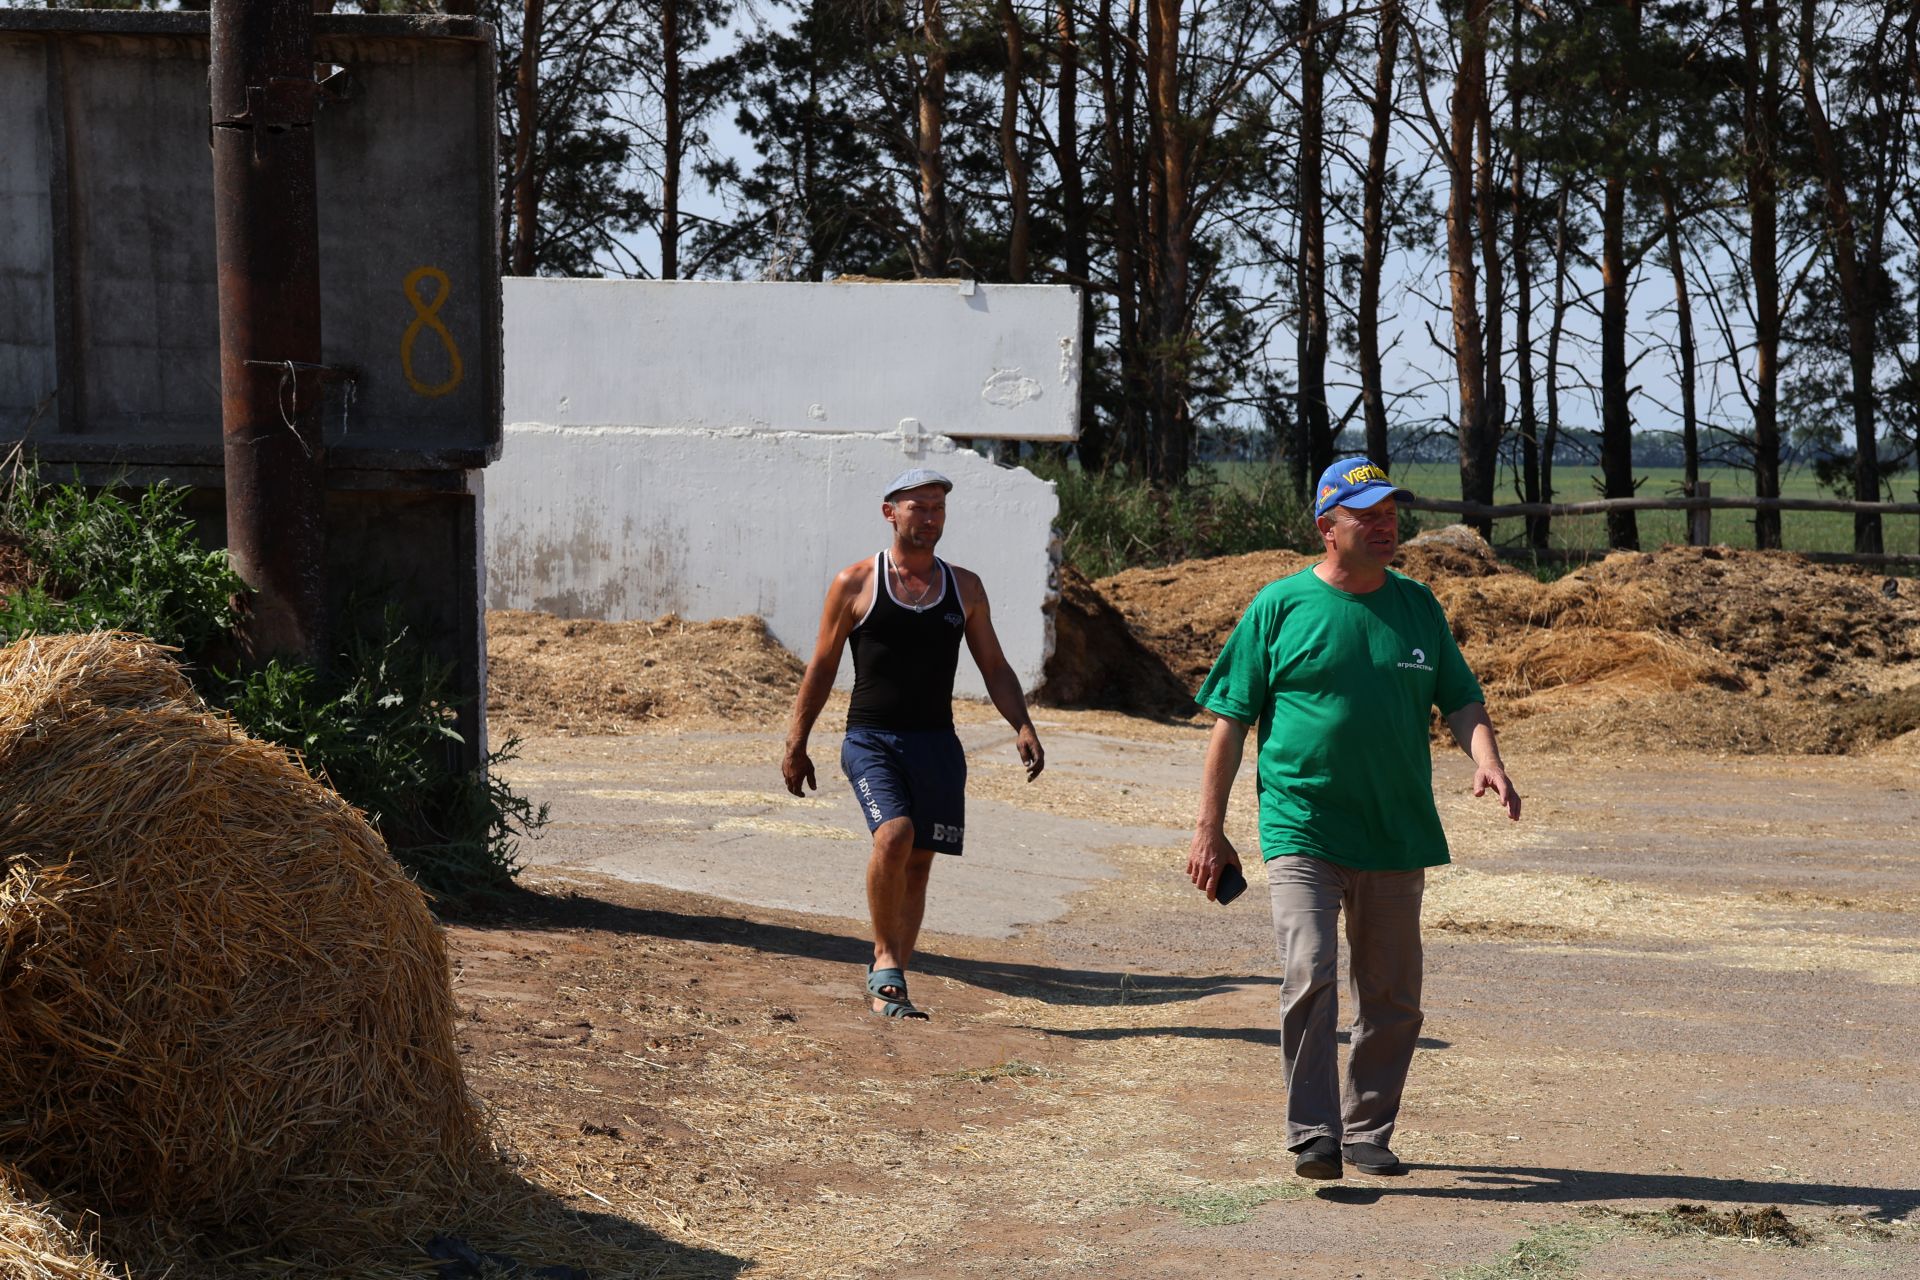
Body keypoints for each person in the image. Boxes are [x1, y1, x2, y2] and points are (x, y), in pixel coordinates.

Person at [1185, 457, 1521, 1180]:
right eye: (1365, 514)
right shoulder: (1279, 606)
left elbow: (1460, 698)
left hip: (1396, 830)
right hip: (1302, 823)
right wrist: (1210, 829)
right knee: (1309, 969)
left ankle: (1369, 1129)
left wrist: (1486, 757)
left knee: (1393, 995)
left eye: (1391, 512)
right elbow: (1230, 724)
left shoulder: (1417, 606)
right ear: (1326, 528)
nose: (1385, 524)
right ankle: (1314, 1131)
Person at [783, 468, 1044, 1020]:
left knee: (920, 863)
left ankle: (892, 979)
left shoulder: (965, 587)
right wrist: (796, 741)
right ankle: (884, 962)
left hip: (938, 745)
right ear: (890, 512)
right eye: (918, 507)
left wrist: (1021, 723)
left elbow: (993, 665)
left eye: (938, 509)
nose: (930, 517)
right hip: (871, 739)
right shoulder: (855, 583)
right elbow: (823, 667)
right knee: (895, 836)